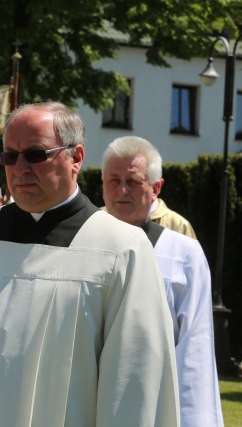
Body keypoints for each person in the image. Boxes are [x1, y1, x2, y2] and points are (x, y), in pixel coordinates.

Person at [0, 103, 179, 427]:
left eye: (35, 154)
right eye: (10, 156)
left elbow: (133, 384)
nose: (20, 168)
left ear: (76, 157)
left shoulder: (122, 250)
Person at [101, 135, 223, 427]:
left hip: (155, 408)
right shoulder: (81, 245)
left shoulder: (183, 254)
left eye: (132, 181)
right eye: (113, 180)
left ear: (156, 188)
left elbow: (195, 345)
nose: (121, 190)